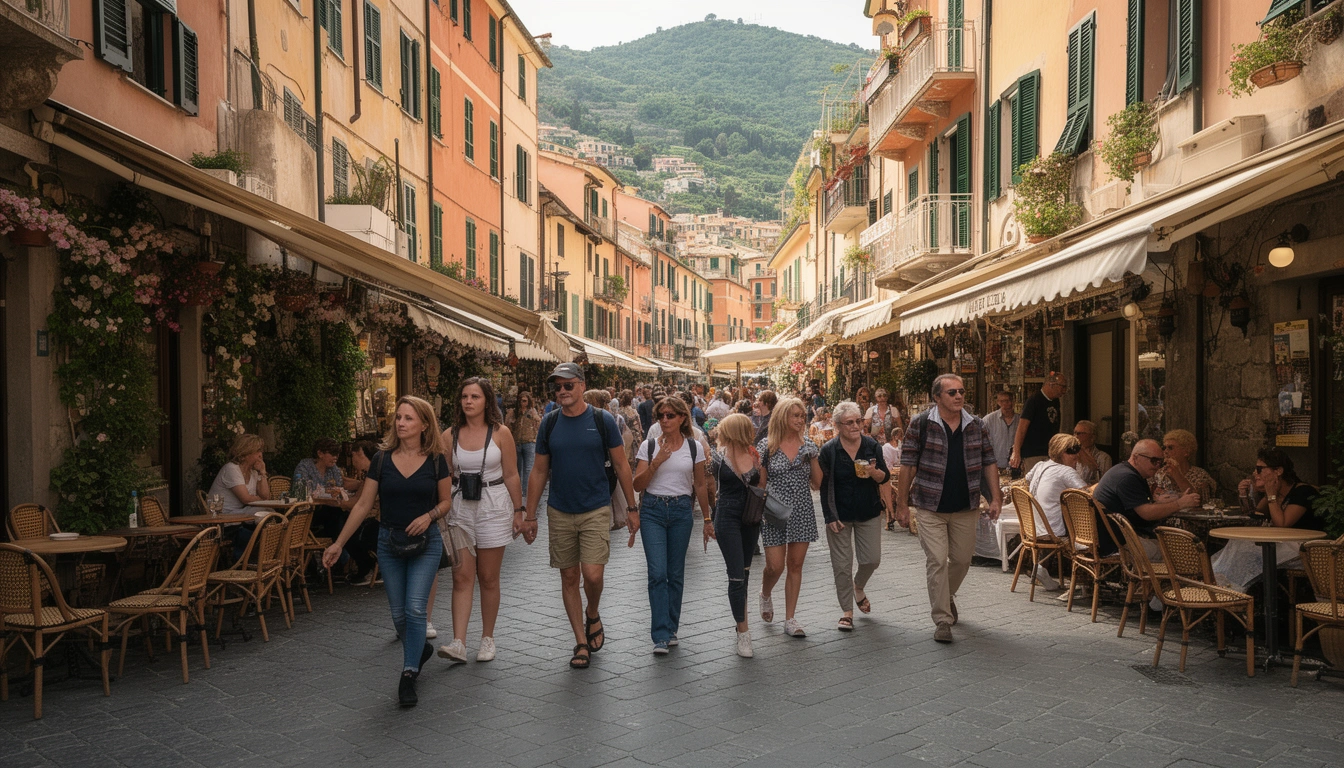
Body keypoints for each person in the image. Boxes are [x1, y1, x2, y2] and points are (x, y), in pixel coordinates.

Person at [323, 396, 452, 707]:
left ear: (424, 424)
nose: (401, 423)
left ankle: (408, 674)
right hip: (389, 542)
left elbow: (447, 502)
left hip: (427, 543)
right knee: (398, 615)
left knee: (415, 609)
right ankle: (418, 648)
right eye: (399, 417)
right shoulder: (381, 460)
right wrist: (339, 543)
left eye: (408, 418)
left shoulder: (436, 459)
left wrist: (428, 516)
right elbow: (364, 504)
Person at [522, 362, 638, 670]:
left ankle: (593, 612)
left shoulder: (602, 420)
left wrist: (632, 507)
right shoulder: (549, 423)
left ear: (582, 385)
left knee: (593, 575)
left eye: (567, 385)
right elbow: (538, 470)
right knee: (569, 576)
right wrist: (529, 515)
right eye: (557, 387)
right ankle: (580, 641)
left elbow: (622, 465)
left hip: (596, 507)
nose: (561, 391)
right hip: (559, 509)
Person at [895, 374, 1002, 644]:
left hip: (966, 505)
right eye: (952, 392)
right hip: (930, 505)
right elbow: (908, 465)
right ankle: (942, 619)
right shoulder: (920, 424)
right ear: (937, 397)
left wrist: (996, 498)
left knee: (963, 559)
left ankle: (946, 594)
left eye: (961, 392)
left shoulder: (976, 425)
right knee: (937, 560)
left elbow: (989, 462)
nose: (958, 396)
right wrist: (901, 505)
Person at [436, 378, 525, 664]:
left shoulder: (501, 433)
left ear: (487, 400)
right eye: (464, 396)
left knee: (488, 577)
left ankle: (487, 638)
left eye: (475, 396)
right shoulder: (449, 435)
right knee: (461, 576)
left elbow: (511, 474)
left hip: (493, 505)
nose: (469, 401)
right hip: (460, 506)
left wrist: (519, 510)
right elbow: (444, 475)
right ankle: (458, 642)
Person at [631, 395, 713, 654]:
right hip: (653, 510)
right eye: (661, 415)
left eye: (670, 415)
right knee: (657, 573)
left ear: (681, 418)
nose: (664, 420)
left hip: (681, 510)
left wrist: (708, 519)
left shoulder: (694, 447)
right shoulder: (649, 446)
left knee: (675, 573)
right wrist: (656, 463)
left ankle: (671, 627)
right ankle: (660, 634)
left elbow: (700, 485)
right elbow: (637, 485)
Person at [819, 401, 889, 632]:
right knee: (842, 565)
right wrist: (829, 516)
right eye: (850, 422)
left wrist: (873, 472)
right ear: (838, 425)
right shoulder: (829, 450)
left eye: (858, 421)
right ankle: (847, 612)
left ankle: (858, 585)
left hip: (868, 510)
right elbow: (824, 486)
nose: (855, 426)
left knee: (872, 559)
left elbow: (884, 477)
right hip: (839, 513)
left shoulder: (871, 446)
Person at [758, 397, 822, 638]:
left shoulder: (808, 445)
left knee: (795, 565)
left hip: (802, 510)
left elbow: (817, 483)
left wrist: (813, 456)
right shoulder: (767, 446)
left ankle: (790, 618)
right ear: (782, 417)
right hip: (774, 512)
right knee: (775, 566)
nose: (799, 419)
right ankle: (765, 593)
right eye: (794, 415)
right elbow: (761, 484)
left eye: (802, 415)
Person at [1214, 449, 1321, 591]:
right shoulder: (1275, 493)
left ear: (1278, 471)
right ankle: (1220, 584)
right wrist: (1245, 495)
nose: (1255, 473)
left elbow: (1282, 524)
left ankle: (1229, 589)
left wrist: (1271, 495)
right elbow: (1255, 515)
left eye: (1260, 469)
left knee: (1244, 550)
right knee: (1238, 544)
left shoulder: (1303, 492)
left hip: (1303, 550)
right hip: (1280, 546)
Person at [707, 414, 764, 657]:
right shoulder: (719, 456)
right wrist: (709, 516)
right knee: (736, 576)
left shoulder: (754, 454)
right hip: (727, 516)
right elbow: (707, 484)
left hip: (750, 517)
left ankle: (741, 620)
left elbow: (761, 485)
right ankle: (744, 633)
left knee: (746, 573)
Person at [1092, 438, 1200, 559]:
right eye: (1154, 461)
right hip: (1120, 544)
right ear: (1136, 458)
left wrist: (1159, 502)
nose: (1158, 466)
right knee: (1185, 551)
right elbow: (1147, 513)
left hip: (1117, 539)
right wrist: (1180, 504)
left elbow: (1140, 506)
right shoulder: (1127, 477)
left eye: (1161, 461)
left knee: (1180, 546)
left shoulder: (1126, 472)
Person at [1021, 433, 1088, 590]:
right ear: (1059, 452)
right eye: (1071, 450)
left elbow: (1025, 480)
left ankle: (1041, 568)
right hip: (1056, 530)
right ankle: (1088, 580)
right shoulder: (1066, 471)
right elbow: (1087, 495)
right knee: (1091, 531)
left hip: (1035, 526)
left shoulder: (1040, 465)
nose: (1076, 455)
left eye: (1078, 450)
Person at [207, 433, 273, 557]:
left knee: (269, 513)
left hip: (242, 516)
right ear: (246, 453)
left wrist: (262, 473)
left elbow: (265, 496)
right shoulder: (232, 469)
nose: (261, 455)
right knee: (266, 512)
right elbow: (246, 498)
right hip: (224, 519)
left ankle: (265, 556)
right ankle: (253, 558)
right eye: (257, 451)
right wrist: (261, 500)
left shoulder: (253, 472)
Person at [1011, 373, 1067, 473]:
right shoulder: (1034, 400)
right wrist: (1016, 451)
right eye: (1062, 386)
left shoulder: (1055, 401)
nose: (1064, 391)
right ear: (1051, 384)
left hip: (1050, 452)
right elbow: (1022, 427)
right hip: (1034, 453)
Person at [1154, 429, 1217, 504]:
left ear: (1186, 452)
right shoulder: (1159, 473)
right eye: (1165, 448)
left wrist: (1177, 475)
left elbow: (1200, 502)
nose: (1165, 452)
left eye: (1170, 448)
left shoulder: (1200, 476)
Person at [505, 391, 541, 498]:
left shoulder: (532, 412)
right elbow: (507, 425)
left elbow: (539, 424)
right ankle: (517, 492)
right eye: (520, 400)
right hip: (517, 442)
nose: (522, 403)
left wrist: (535, 417)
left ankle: (526, 493)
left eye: (525, 401)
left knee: (528, 469)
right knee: (517, 469)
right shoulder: (515, 412)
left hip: (529, 442)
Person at [982, 391, 1019, 472]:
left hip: (1016, 466)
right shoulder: (989, 420)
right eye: (1003, 401)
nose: (1007, 404)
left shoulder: (1020, 420)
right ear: (998, 402)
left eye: (1009, 400)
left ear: (1014, 401)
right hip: (996, 466)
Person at [1071, 420, 1112, 485]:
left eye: (1079, 433)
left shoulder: (1103, 458)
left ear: (1092, 436)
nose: (1075, 437)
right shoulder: (1072, 456)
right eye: (1074, 433)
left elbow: (1105, 483)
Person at [882, 424, 903, 531]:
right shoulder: (886, 448)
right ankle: (890, 517)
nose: (899, 437)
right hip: (891, 474)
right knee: (891, 493)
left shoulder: (902, 446)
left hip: (901, 474)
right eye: (898, 435)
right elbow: (888, 464)